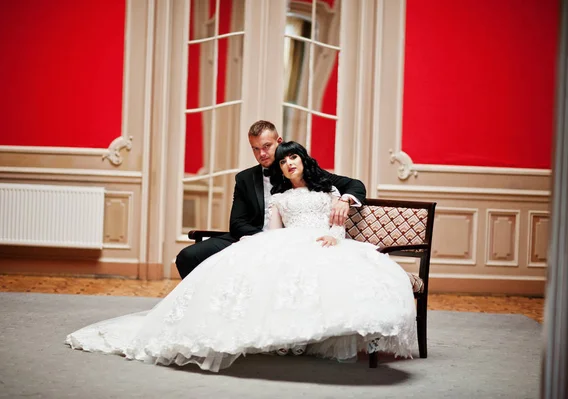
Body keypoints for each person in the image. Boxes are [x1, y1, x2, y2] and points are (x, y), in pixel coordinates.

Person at [66, 141, 417, 372]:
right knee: (260, 270)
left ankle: (317, 336)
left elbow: (338, 217)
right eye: (283, 162)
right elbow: (272, 231)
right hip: (287, 241)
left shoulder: (328, 188)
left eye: (291, 156)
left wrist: (334, 233)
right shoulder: (279, 199)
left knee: (342, 273)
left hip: (325, 238)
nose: (287, 163)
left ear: (302, 159)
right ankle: (275, 337)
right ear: (279, 169)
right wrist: (270, 246)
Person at [175, 120, 366, 279]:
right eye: (256, 149)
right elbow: (237, 223)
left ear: (279, 141)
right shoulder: (245, 179)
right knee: (187, 256)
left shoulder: (304, 172)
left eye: (267, 146)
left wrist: (344, 200)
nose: (262, 154)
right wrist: (264, 241)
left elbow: (355, 185)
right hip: (252, 238)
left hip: (296, 245)